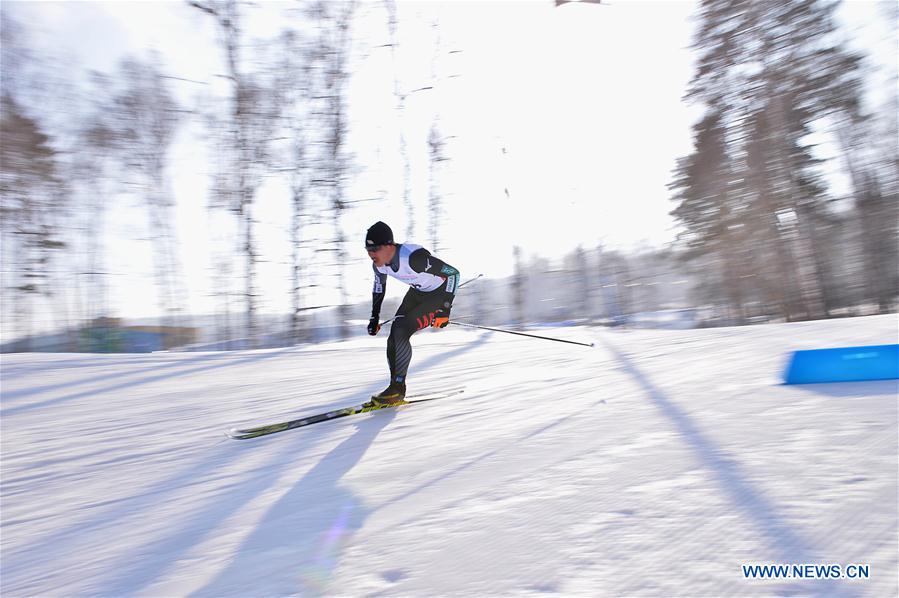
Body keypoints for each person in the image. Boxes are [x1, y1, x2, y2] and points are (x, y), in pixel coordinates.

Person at [364, 221, 460, 406]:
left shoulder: (414, 258)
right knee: (394, 334)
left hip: (438, 295)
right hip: (417, 293)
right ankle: (394, 389)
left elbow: (453, 274)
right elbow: (378, 288)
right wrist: (374, 317)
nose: (371, 254)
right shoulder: (379, 265)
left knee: (401, 329)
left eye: (374, 249)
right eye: (368, 250)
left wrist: (445, 309)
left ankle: (397, 390)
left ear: (389, 246)